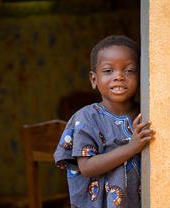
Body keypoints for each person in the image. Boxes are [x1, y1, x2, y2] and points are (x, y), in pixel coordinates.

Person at [54, 35, 155, 208]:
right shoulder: (87, 118)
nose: (119, 77)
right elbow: (86, 167)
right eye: (108, 71)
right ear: (94, 79)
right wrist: (131, 148)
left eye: (129, 70)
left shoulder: (147, 114)